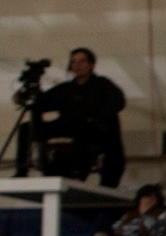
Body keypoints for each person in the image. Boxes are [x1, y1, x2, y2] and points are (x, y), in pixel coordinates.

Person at [31, 47, 126, 186]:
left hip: (94, 131)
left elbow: (118, 102)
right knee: (27, 128)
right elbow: (41, 103)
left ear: (91, 65)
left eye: (82, 61)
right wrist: (28, 95)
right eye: (73, 62)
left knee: (82, 130)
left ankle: (78, 170)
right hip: (69, 126)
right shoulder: (66, 88)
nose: (77, 65)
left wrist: (96, 116)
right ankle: (24, 168)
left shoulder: (102, 84)